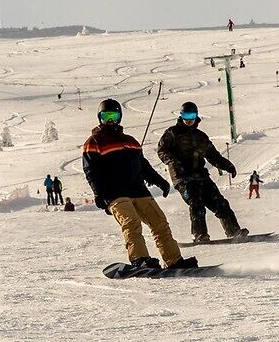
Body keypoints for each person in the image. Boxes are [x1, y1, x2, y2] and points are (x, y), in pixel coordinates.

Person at [83, 97, 188, 272]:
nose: (110, 121)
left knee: (160, 223)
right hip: (114, 192)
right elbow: (90, 171)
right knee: (131, 222)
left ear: (120, 117)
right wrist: (98, 193)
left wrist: (159, 181)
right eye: (106, 116)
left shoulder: (130, 140)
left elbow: (144, 165)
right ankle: (140, 259)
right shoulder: (93, 142)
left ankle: (174, 260)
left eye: (114, 116)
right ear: (99, 118)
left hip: (138, 190)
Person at [155, 101, 246, 242]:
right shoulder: (172, 133)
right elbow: (161, 150)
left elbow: (213, 156)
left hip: (201, 176)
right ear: (181, 116)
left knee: (220, 202)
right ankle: (199, 234)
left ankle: (234, 231)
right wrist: (172, 161)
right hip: (182, 177)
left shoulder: (201, 136)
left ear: (196, 116)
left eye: (191, 115)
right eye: (185, 115)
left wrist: (228, 166)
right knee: (196, 202)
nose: (188, 119)